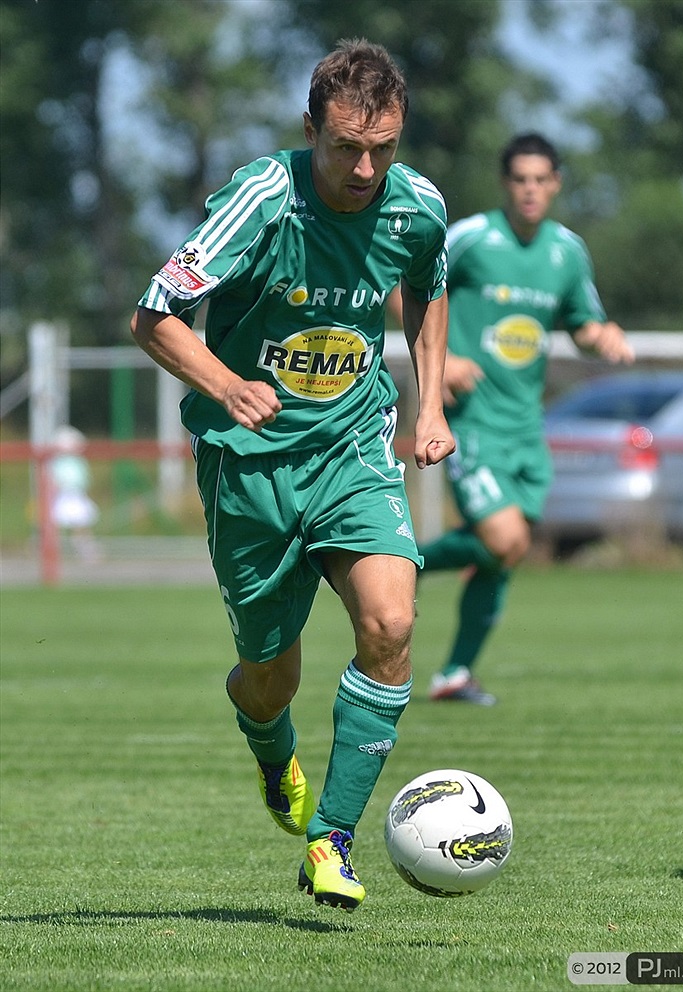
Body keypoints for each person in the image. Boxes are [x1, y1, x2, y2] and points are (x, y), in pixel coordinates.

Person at [130, 39, 454, 912]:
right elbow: (154, 314)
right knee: (269, 676)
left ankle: (331, 841)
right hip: (250, 466)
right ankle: (273, 754)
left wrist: (428, 408)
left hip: (353, 449)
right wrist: (228, 385)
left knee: (390, 624)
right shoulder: (263, 198)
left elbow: (428, 288)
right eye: (346, 147)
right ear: (310, 130)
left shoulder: (418, 206)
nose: (365, 169)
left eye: (383, 148)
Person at [394, 132, 635, 705]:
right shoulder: (472, 238)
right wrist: (446, 361)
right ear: (506, 183)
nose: (530, 190)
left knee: (506, 551)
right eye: (520, 179)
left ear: (555, 185)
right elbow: (405, 289)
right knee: (503, 539)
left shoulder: (567, 251)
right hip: (472, 423)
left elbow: (583, 321)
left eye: (540, 180)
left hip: (528, 428)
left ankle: (455, 674)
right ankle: (401, 563)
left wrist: (601, 335)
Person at [49, 425, 101, 562]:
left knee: (81, 525)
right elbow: (54, 481)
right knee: (54, 524)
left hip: (76, 496)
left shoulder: (78, 462)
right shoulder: (58, 463)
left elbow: (84, 481)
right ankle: (48, 549)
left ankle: (85, 550)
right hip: (63, 497)